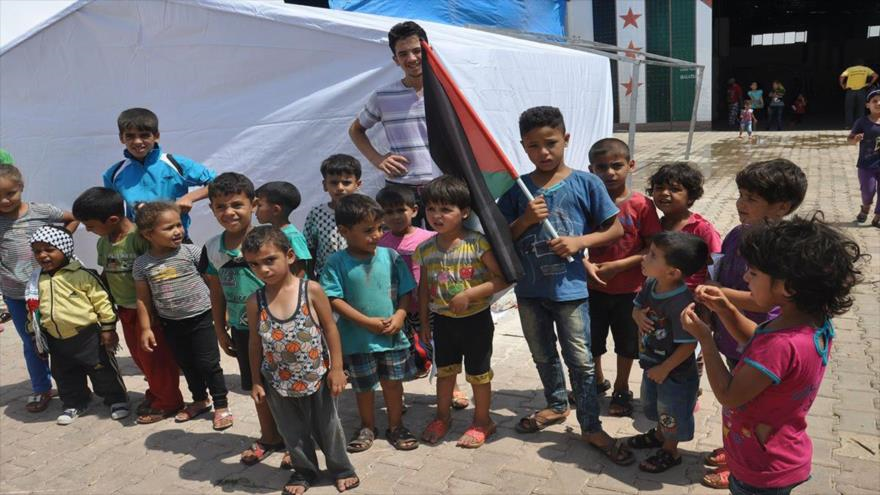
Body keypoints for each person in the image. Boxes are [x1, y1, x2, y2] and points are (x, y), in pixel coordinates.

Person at [681, 215, 865, 495]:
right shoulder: (808, 323)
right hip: (784, 453)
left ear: (788, 287)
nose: (744, 278)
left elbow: (729, 394)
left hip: (760, 468)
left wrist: (705, 339)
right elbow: (757, 340)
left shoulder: (781, 344)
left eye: (753, 273)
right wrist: (727, 310)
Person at [497, 106, 631, 465]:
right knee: (542, 354)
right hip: (529, 292)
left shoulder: (587, 183)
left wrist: (579, 242)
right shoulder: (517, 188)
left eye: (551, 143)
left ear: (566, 139)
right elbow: (501, 237)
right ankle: (556, 405)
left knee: (582, 362)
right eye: (534, 146)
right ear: (523, 147)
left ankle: (590, 424)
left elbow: (616, 229)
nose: (544, 152)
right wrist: (524, 220)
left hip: (570, 291)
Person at [697, 158, 807, 490]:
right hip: (731, 336)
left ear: (781, 206)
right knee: (739, 411)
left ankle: (744, 464)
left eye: (752, 199)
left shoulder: (779, 249)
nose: (741, 204)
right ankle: (734, 450)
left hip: (757, 341)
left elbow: (763, 302)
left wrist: (718, 295)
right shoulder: (736, 234)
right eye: (741, 194)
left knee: (750, 408)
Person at [243, 226, 359, 494]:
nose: (263, 270)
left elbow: (330, 328)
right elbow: (254, 341)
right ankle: (305, 471)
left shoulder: (311, 290)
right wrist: (256, 381)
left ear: (290, 256)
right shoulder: (255, 301)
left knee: (328, 428)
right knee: (291, 432)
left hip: (317, 376)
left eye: (270, 260)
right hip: (276, 381)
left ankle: (342, 469)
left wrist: (337, 369)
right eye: (254, 265)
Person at [72, 187, 184, 424]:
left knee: (157, 358)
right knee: (140, 358)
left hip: (148, 312)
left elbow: (159, 269)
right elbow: (106, 273)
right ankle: (156, 393)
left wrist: (154, 312)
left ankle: (169, 402)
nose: (88, 230)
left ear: (112, 219)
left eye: (90, 225)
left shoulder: (139, 240)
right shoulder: (104, 243)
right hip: (125, 310)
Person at [414, 176, 509, 448]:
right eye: (431, 209)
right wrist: (424, 323)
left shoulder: (477, 243)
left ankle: (482, 422)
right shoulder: (425, 249)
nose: (437, 216)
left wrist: (469, 294)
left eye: (446, 209)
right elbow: (423, 289)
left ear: (464, 212)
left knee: (479, 374)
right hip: (443, 322)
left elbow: (502, 278)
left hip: (476, 321)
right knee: (445, 373)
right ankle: (442, 418)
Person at [320, 194, 419, 452]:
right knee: (364, 387)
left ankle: (396, 425)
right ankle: (367, 426)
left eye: (379, 228)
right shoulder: (336, 262)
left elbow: (406, 291)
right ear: (344, 231)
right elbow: (333, 298)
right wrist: (365, 322)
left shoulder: (391, 256)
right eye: (368, 230)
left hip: (391, 336)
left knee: (393, 383)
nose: (376, 235)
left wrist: (400, 316)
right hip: (357, 340)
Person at [199, 173, 284, 464]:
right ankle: (270, 437)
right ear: (211, 209)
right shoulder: (212, 248)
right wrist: (220, 329)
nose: (229, 212)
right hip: (243, 330)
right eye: (220, 206)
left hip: (280, 327)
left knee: (288, 386)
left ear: (254, 204)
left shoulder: (272, 240)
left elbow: (294, 281)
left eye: (236, 204)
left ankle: (298, 441)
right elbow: (216, 289)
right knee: (257, 386)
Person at [132, 202, 232, 430]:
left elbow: (212, 283)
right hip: (171, 322)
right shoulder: (142, 265)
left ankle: (221, 404)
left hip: (201, 317)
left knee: (208, 363)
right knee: (186, 364)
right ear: (148, 234)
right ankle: (199, 400)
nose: (178, 231)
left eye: (179, 225)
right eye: (169, 228)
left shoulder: (192, 252)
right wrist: (146, 328)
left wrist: (222, 311)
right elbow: (142, 299)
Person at [584, 138, 661, 418]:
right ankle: (597, 380)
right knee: (592, 340)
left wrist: (619, 266)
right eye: (601, 167)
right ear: (591, 169)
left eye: (617, 166)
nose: (610, 173)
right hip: (592, 288)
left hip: (631, 289)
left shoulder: (642, 205)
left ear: (631, 165)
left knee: (627, 343)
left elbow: (653, 247)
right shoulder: (587, 202)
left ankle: (621, 387)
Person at [27, 225, 129, 425]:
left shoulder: (82, 274)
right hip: (56, 339)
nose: (42, 255)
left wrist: (108, 329)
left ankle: (116, 399)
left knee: (102, 370)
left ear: (64, 249)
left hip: (88, 336)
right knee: (64, 374)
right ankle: (76, 402)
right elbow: (32, 311)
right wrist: (34, 336)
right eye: (37, 251)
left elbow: (103, 301)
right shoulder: (36, 280)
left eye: (49, 249)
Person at [626, 231, 707, 472]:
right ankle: (660, 436)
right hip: (652, 365)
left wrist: (665, 368)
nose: (644, 257)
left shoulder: (681, 303)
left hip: (675, 372)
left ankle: (671, 450)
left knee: (673, 410)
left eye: (652, 256)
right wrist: (636, 314)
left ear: (673, 272)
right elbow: (636, 308)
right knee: (655, 405)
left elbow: (689, 345)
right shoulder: (651, 284)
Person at [0, 163, 78, 413]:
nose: (4, 200)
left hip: (49, 290)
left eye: (9, 193)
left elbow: (72, 218)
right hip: (15, 294)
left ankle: (75, 388)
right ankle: (41, 388)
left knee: (62, 337)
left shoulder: (41, 211)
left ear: (21, 187)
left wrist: (60, 245)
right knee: (33, 343)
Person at [349, 21, 440, 228]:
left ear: (428, 50)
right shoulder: (383, 96)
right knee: (402, 253)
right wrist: (377, 159)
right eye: (403, 54)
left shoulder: (449, 92)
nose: (412, 58)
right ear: (395, 60)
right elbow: (356, 130)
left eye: (417, 51)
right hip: (400, 191)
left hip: (442, 188)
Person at [102, 107, 216, 236]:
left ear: (156, 136)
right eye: (130, 136)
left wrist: (189, 197)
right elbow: (113, 212)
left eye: (144, 135)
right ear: (121, 138)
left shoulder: (176, 164)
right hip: (136, 245)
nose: (138, 141)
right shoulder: (113, 174)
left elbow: (218, 183)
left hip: (176, 242)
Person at [375, 185, 438, 381]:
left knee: (438, 345)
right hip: (396, 308)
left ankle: (452, 387)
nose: (395, 216)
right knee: (403, 346)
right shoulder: (380, 243)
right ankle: (400, 386)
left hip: (426, 305)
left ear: (414, 210)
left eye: (400, 210)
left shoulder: (429, 238)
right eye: (389, 212)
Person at [647, 162, 721, 290]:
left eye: (674, 189)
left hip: (691, 297)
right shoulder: (655, 225)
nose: (664, 193)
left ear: (691, 197)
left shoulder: (701, 228)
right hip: (659, 294)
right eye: (659, 188)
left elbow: (716, 262)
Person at [303, 154, 362, 279]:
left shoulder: (366, 212)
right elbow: (310, 248)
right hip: (326, 276)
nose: (340, 188)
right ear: (325, 185)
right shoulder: (317, 213)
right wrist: (310, 277)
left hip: (359, 273)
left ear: (358, 184)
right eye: (334, 183)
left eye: (346, 183)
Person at [255, 181, 312, 276]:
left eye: (259, 205)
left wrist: (295, 289)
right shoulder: (271, 233)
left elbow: (302, 269)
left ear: (275, 210)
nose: (255, 211)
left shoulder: (292, 236)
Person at [847, 88, 880, 227]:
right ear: (867, 105)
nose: (878, 103)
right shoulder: (862, 122)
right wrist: (855, 138)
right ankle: (866, 207)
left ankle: (878, 216)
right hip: (866, 165)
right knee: (868, 190)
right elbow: (849, 140)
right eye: (875, 101)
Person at [840, 60, 878, 128]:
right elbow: (875, 75)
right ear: (862, 64)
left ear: (854, 64)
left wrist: (842, 85)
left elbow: (841, 76)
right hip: (861, 91)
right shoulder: (866, 69)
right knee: (860, 109)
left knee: (849, 108)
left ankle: (848, 125)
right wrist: (870, 83)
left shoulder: (850, 69)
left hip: (850, 91)